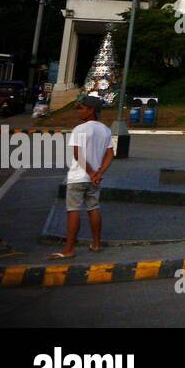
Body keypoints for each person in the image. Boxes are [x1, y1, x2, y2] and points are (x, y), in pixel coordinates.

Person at [50, 95, 114, 259]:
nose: (79, 111)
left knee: (73, 211)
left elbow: (78, 154)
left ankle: (69, 249)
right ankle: (96, 244)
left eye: (82, 108)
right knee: (94, 208)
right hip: (94, 180)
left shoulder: (80, 129)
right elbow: (110, 154)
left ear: (91, 110)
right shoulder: (105, 130)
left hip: (79, 176)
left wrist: (92, 172)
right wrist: (99, 173)